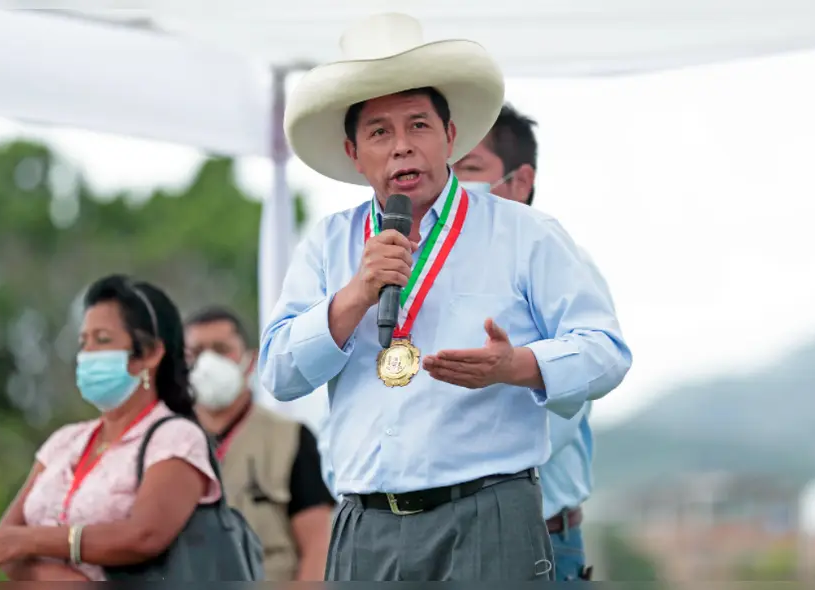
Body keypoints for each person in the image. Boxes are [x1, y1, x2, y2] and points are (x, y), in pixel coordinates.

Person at [259, 12, 631, 581]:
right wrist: (356, 294)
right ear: (354, 153)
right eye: (380, 132)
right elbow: (280, 373)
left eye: (419, 126)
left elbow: (606, 352)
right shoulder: (328, 244)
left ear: (451, 137)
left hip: (488, 514)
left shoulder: (523, 232)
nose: (402, 148)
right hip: (364, 522)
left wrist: (519, 365)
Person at [454, 104, 611, 580]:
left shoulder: (556, 259)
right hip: (445, 543)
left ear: (519, 183)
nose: (451, 188)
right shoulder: (432, 270)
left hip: (535, 538)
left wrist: (513, 366)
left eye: (470, 170)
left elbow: (589, 372)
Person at [0, 274, 221, 581]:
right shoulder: (64, 442)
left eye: (103, 340)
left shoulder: (176, 439)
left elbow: (144, 536)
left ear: (149, 354)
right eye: (84, 342)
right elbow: (0, 543)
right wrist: (61, 581)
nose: (87, 354)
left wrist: (32, 541)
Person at [184, 305, 333, 581]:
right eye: (196, 352)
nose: (207, 362)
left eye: (221, 349)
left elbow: (318, 547)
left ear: (250, 360)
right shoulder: (167, 440)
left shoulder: (290, 438)